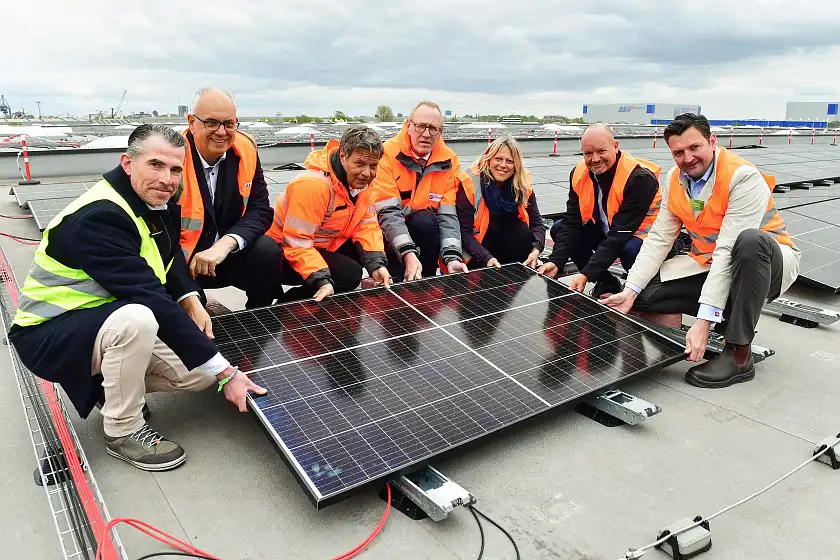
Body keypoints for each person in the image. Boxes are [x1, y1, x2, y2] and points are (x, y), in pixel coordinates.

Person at [9, 125, 266, 471]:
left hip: (104, 319)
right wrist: (226, 373)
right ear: (127, 163)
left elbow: (169, 255)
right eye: (156, 165)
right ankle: (123, 430)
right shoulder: (100, 217)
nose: (167, 179)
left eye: (176, 170)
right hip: (51, 332)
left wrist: (191, 298)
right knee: (141, 320)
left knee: (197, 374)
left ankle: (109, 388)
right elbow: (149, 296)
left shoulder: (150, 200)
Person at [602, 113, 801, 388]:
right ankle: (728, 312)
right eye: (678, 152)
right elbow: (659, 238)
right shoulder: (675, 179)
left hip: (764, 265)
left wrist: (703, 322)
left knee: (750, 242)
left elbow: (728, 250)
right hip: (706, 262)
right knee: (646, 297)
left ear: (712, 141)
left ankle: (739, 354)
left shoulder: (742, 177)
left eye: (694, 147)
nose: (687, 158)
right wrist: (630, 290)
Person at [265, 125, 392, 302]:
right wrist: (321, 278)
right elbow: (296, 241)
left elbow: (366, 226)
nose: (367, 173)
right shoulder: (313, 186)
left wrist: (376, 264)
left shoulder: (361, 184)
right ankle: (287, 307)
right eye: (360, 164)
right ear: (342, 156)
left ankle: (308, 300)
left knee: (368, 256)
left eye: (373, 166)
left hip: (318, 246)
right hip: (281, 254)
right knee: (349, 274)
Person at [180, 88, 279, 308]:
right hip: (183, 262)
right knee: (193, 319)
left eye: (229, 123)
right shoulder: (172, 158)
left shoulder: (246, 149)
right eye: (211, 123)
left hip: (226, 255)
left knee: (267, 250)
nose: (222, 132)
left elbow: (260, 210)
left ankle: (259, 319)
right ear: (191, 122)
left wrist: (226, 244)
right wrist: (185, 293)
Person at [538, 124, 662, 298]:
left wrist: (587, 273)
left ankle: (641, 289)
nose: (595, 159)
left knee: (630, 250)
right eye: (588, 153)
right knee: (559, 228)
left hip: (641, 238)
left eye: (601, 151)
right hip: (608, 231)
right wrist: (556, 260)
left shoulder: (639, 178)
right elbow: (572, 221)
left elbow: (620, 234)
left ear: (615, 146)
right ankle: (606, 281)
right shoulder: (579, 173)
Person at [373, 100, 468, 280]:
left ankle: (427, 283)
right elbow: (388, 212)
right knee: (396, 288)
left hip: (425, 232)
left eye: (433, 128)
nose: (426, 134)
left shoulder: (450, 161)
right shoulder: (387, 154)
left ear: (441, 132)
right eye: (420, 126)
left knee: (425, 222)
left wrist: (452, 258)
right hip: (389, 232)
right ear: (408, 126)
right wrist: (408, 253)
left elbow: (448, 215)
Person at [453, 136, 546, 269]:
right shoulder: (469, 183)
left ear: (516, 165)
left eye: (509, 161)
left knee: (523, 233)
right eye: (498, 159)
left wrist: (536, 249)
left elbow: (537, 223)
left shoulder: (522, 186)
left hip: (507, 248)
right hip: (476, 251)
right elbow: (464, 232)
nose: (503, 165)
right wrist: (486, 258)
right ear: (488, 159)